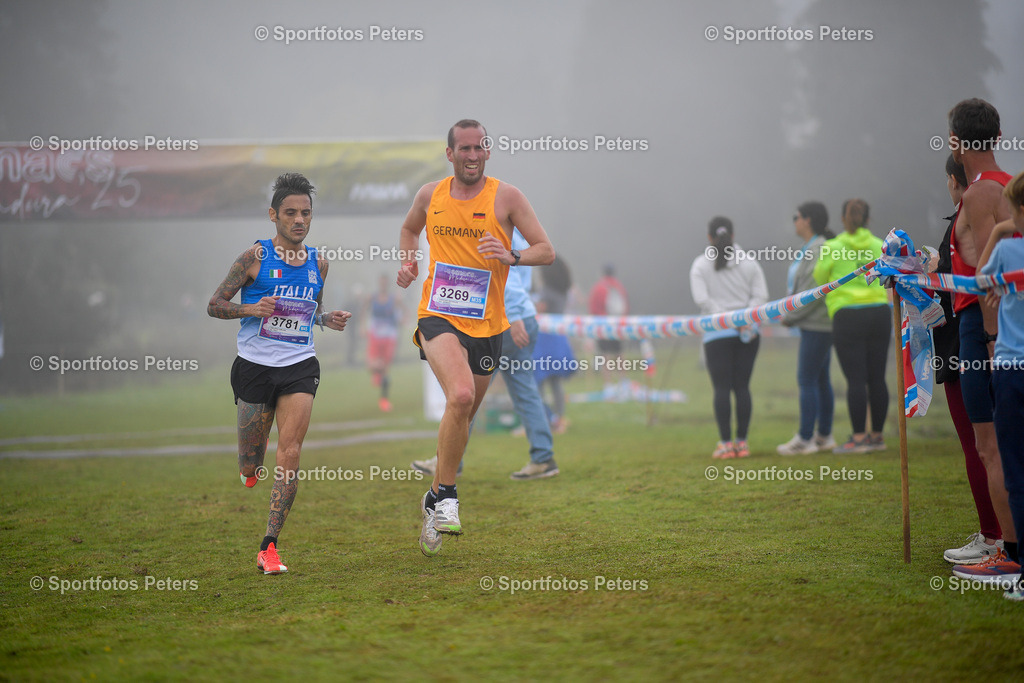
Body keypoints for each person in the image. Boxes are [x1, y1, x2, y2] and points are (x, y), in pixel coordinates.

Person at [396, 119, 554, 557]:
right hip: (438, 315)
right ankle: (447, 495)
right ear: (450, 154)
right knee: (461, 396)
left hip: (488, 325)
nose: (472, 155)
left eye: (479, 148)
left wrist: (513, 255)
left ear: (487, 152)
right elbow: (409, 229)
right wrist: (409, 263)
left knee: (462, 417)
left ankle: (432, 497)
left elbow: (547, 249)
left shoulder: (507, 197)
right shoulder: (431, 195)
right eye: (463, 148)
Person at [207, 172, 351, 574]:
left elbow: (308, 310)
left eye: (306, 213)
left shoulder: (319, 262)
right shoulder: (253, 258)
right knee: (251, 461)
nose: (299, 220)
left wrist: (326, 319)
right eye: (290, 213)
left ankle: (269, 546)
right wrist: (250, 309)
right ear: (274, 216)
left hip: (299, 365)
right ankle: (249, 469)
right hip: (254, 365)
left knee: (290, 452)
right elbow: (214, 304)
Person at [411, 229, 559, 481]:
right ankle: (543, 457)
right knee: (523, 391)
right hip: (522, 316)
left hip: (505, 321)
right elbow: (521, 277)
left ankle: (447, 461)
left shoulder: (494, 228)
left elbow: (506, 280)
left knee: (464, 394)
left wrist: (512, 315)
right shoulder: (519, 236)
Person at [943, 98, 1019, 586]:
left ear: (956, 140)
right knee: (1002, 444)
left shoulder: (978, 196)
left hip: (983, 327)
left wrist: (992, 341)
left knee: (991, 446)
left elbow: (996, 273)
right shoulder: (1009, 185)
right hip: (995, 327)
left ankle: (1007, 551)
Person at [937, 155, 1003, 565]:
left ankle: (995, 536)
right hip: (977, 340)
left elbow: (977, 279)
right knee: (991, 445)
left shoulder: (972, 209)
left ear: (953, 180)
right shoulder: (994, 201)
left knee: (980, 445)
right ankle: (1000, 537)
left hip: (969, 343)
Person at [978, 170, 1024, 599]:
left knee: (1016, 470)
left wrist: (1001, 229)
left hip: (1012, 370)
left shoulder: (1009, 249)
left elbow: (978, 280)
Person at [812, 199, 889, 454]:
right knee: (877, 377)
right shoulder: (881, 245)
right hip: (879, 313)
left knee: (855, 379)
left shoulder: (831, 247)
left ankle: (857, 439)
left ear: (843, 220)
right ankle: (877, 437)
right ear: (868, 219)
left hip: (847, 316)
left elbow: (820, 279)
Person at [689, 216, 768, 459]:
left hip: (716, 334)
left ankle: (725, 444)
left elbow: (702, 300)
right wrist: (742, 320)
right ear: (733, 236)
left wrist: (725, 319)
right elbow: (761, 297)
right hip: (748, 333)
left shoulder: (700, 265)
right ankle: (742, 444)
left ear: (709, 237)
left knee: (721, 388)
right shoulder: (750, 263)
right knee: (742, 387)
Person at [777, 201, 837, 455]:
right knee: (820, 379)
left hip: (817, 325)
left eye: (796, 216)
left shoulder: (818, 249)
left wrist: (789, 317)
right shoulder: (811, 247)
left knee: (806, 379)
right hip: (817, 325)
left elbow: (812, 293)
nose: (794, 221)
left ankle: (805, 438)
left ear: (808, 220)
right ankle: (824, 436)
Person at [533, 254, 576, 433]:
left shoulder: (547, 292)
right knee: (556, 382)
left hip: (544, 340)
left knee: (538, 382)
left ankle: (544, 418)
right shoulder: (562, 292)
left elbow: (537, 309)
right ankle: (559, 417)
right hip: (559, 339)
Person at [588, 263, 630, 400]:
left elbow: (593, 307)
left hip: (603, 325)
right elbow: (625, 306)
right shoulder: (619, 286)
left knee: (604, 355)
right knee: (619, 354)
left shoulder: (599, 287)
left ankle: (608, 385)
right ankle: (623, 382)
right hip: (617, 325)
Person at [364, 274, 404, 412]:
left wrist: (403, 319)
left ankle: (384, 400)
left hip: (389, 337)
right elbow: (363, 312)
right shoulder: (372, 297)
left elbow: (404, 313)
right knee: (373, 366)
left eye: (385, 282)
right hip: (375, 335)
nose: (383, 285)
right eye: (381, 282)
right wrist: (362, 327)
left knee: (385, 368)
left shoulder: (394, 299)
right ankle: (377, 374)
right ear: (378, 283)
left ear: (388, 284)